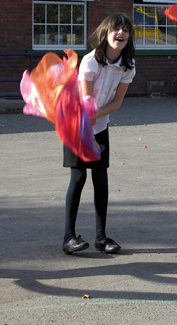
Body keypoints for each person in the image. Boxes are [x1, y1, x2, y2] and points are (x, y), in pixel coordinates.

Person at [61, 13, 136, 255]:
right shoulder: (91, 61)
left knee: (100, 179)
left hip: (100, 124)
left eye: (125, 30)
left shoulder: (128, 65)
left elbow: (117, 102)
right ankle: (69, 238)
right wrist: (88, 127)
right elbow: (85, 101)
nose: (121, 33)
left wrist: (97, 119)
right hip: (76, 123)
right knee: (79, 177)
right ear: (105, 33)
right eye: (116, 29)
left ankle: (101, 238)